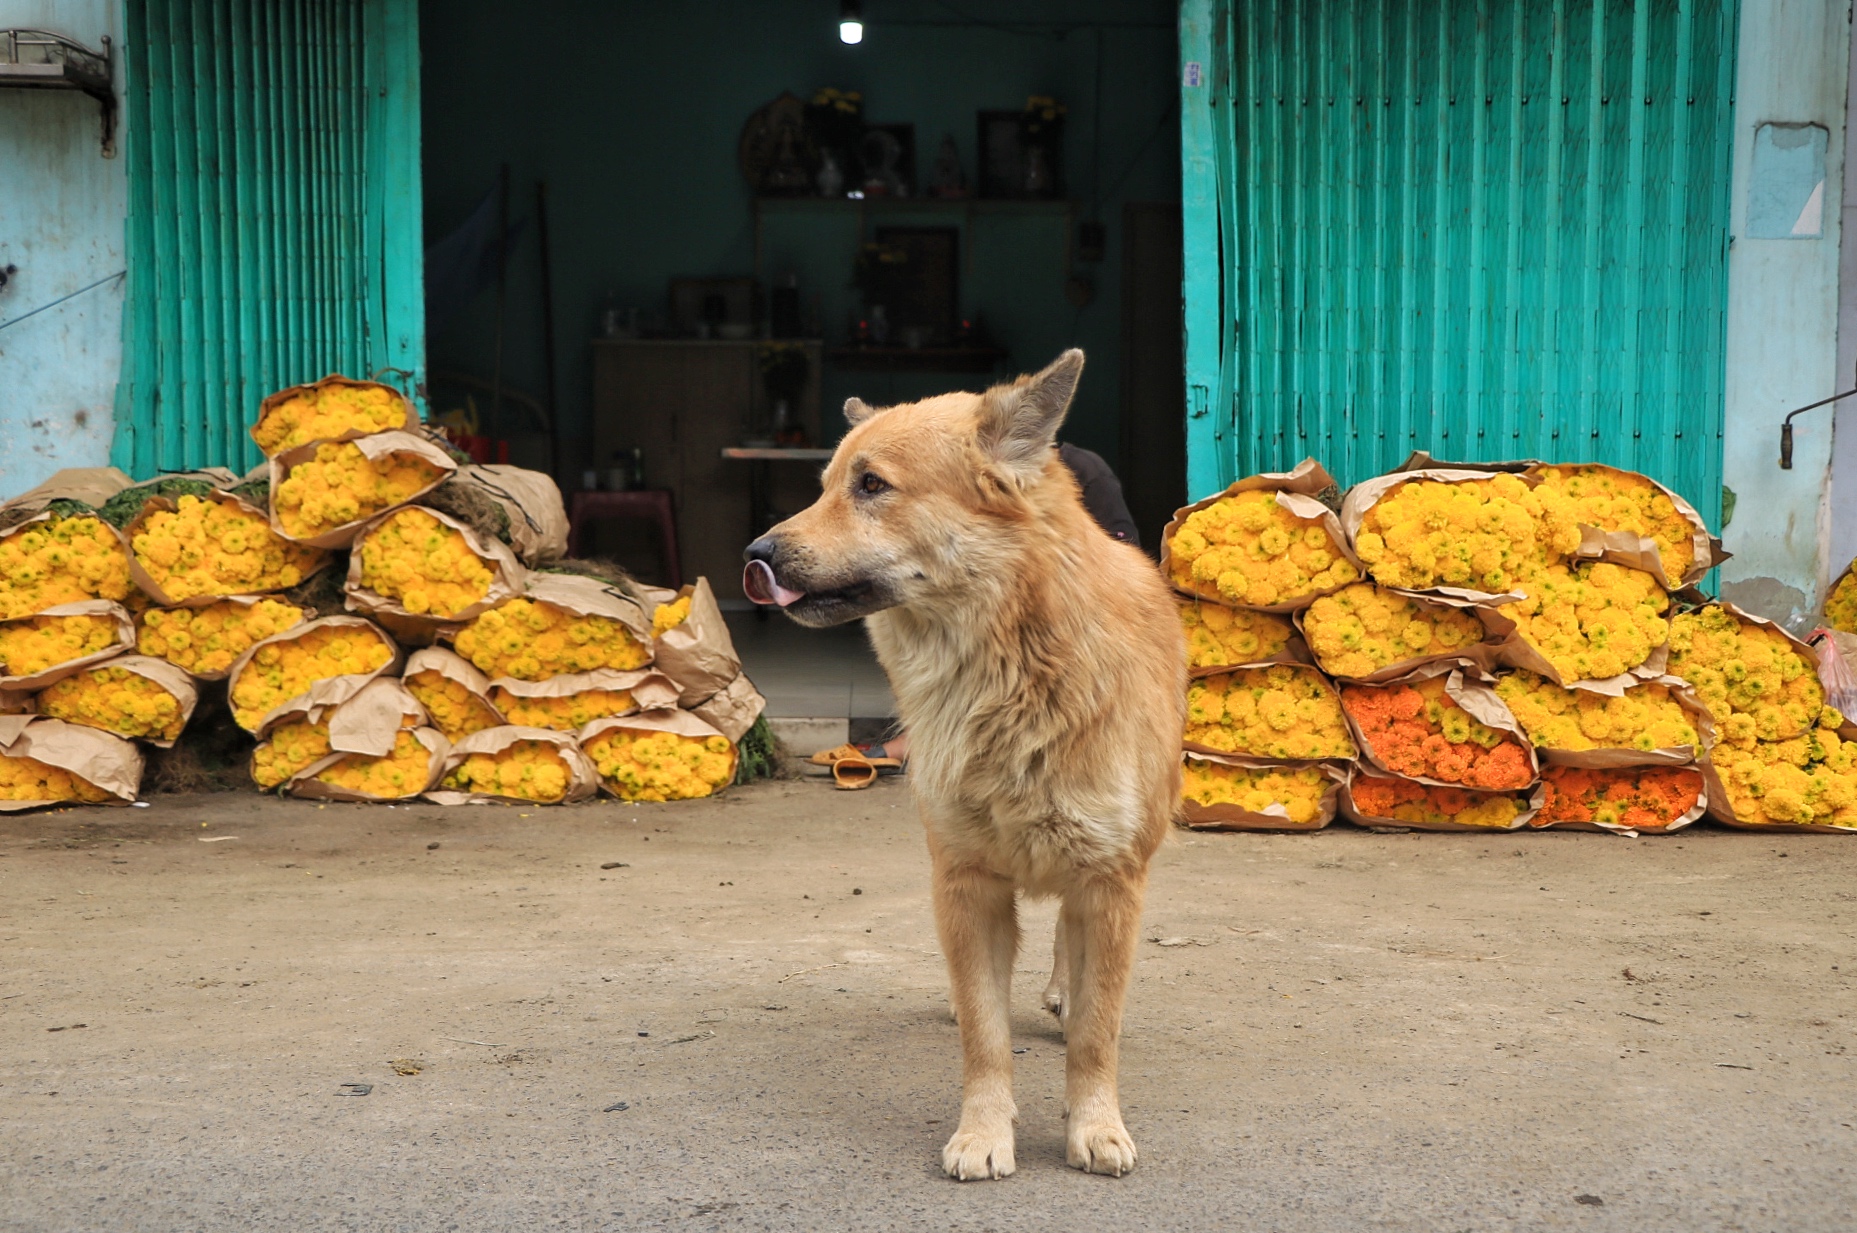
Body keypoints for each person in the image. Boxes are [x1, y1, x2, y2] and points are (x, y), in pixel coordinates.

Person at [820, 441, 1140, 776]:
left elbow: (1118, 565)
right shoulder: (955, 468)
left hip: (1062, 631)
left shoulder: (1086, 470)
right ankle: (923, 736)